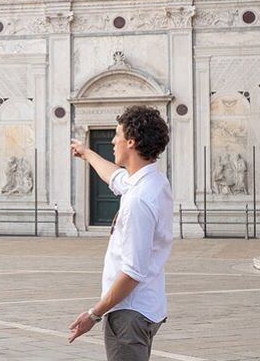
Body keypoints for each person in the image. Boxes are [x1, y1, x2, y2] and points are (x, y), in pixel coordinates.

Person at [68, 105, 172, 361]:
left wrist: (94, 314)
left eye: (117, 135)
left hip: (129, 313)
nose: (112, 141)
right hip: (146, 307)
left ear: (131, 142)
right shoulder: (154, 182)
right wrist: (86, 153)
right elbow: (115, 178)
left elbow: (132, 272)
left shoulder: (139, 200)